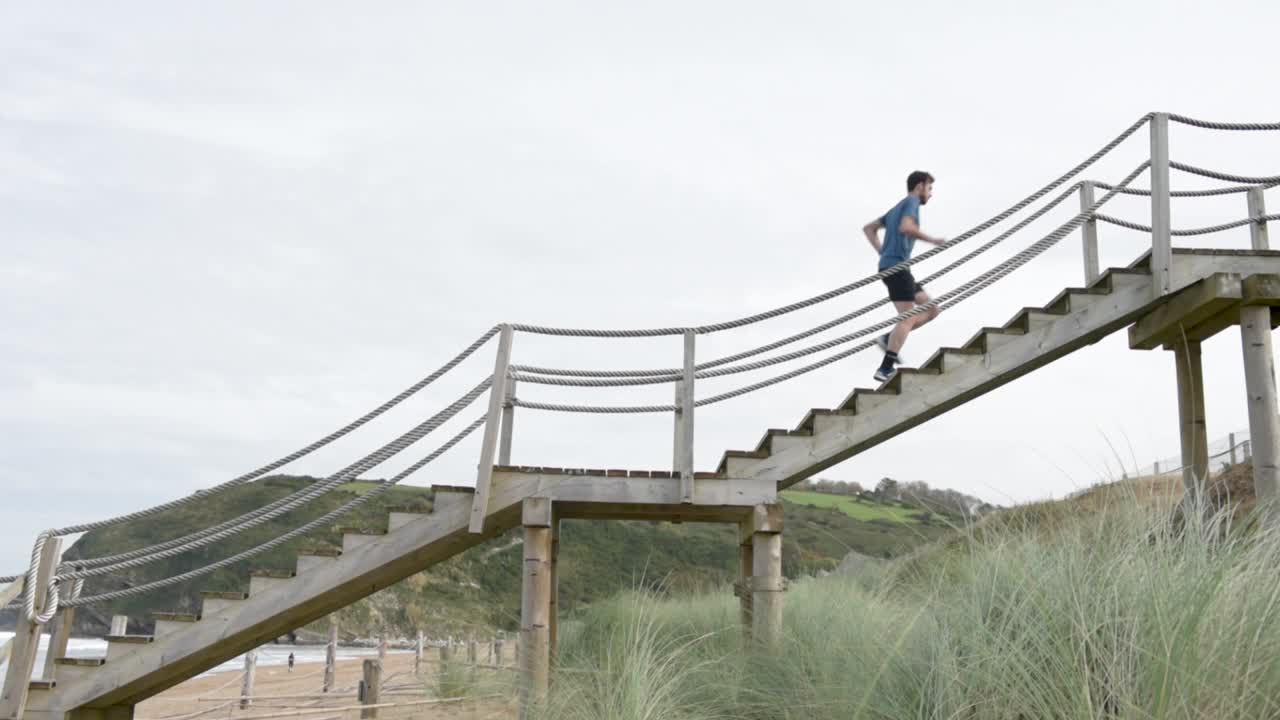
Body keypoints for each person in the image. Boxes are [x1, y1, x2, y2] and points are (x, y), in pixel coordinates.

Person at [862, 170, 947, 382]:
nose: (930, 193)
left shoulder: (895, 208)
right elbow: (906, 227)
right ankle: (885, 367)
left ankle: (889, 338)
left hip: (898, 268)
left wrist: (882, 252)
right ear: (920, 186)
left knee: (932, 309)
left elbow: (869, 229)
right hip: (897, 269)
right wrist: (933, 240)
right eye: (929, 188)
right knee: (907, 316)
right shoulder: (911, 203)